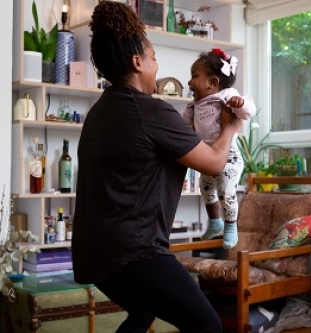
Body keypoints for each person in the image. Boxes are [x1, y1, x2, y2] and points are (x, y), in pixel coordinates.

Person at [71, 2, 241, 332]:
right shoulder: (150, 111)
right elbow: (216, 162)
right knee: (208, 325)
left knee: (142, 313)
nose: (156, 67)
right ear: (137, 62)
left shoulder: (99, 112)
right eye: (153, 59)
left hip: (93, 253)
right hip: (134, 252)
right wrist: (230, 128)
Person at [181, 48, 256, 249]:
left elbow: (249, 111)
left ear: (213, 83)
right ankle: (215, 222)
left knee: (225, 190)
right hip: (208, 156)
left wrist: (240, 104)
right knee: (205, 188)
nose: (189, 82)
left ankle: (231, 227)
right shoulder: (194, 105)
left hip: (229, 157)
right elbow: (182, 125)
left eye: (194, 76)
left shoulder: (227, 95)